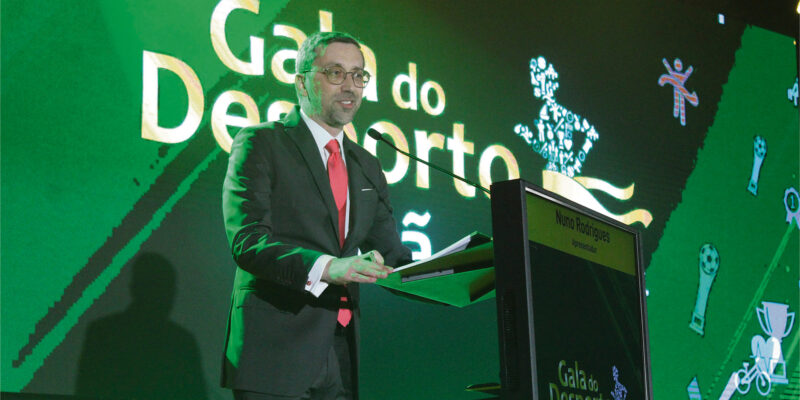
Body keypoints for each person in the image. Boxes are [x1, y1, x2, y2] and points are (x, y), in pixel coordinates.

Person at [220, 31, 412, 400]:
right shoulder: (261, 142)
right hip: (276, 348)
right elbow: (248, 242)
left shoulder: (367, 164)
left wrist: (459, 269)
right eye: (336, 73)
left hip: (341, 350)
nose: (350, 86)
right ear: (302, 82)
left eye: (359, 75)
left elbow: (395, 255)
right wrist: (328, 267)